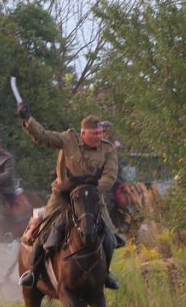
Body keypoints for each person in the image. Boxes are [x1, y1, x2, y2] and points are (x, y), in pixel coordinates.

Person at [16, 106, 121, 290]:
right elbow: (43, 136)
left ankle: (106, 273)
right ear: (83, 133)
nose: (99, 136)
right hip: (63, 194)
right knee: (44, 231)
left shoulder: (108, 149)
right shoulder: (68, 139)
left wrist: (94, 191)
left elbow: (110, 176)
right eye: (95, 133)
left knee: (110, 237)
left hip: (92, 196)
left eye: (100, 132)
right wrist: (28, 120)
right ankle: (33, 272)